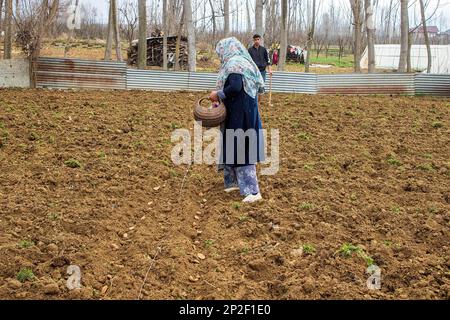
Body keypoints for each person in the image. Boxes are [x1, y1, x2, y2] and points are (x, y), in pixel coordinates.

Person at [208, 37, 265, 203]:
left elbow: (236, 86)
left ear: (227, 49)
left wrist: (217, 94)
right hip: (244, 109)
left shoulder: (235, 63)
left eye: (221, 53)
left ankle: (253, 192)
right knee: (234, 143)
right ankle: (233, 182)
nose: (221, 56)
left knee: (241, 145)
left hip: (242, 110)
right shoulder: (243, 60)